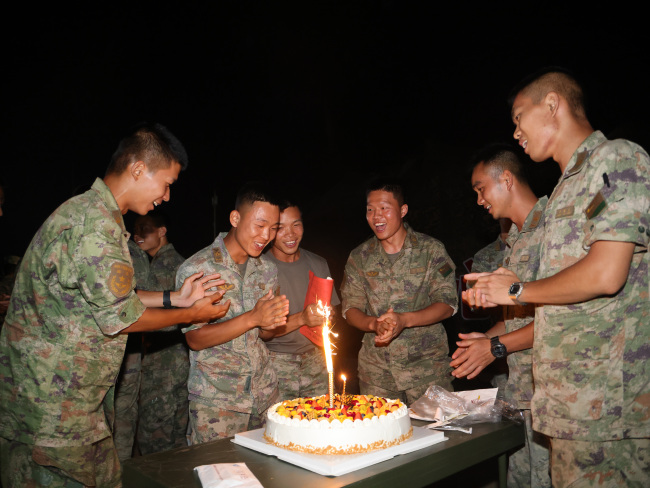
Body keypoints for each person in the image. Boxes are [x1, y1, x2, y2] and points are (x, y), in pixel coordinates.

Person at [0, 122, 230, 488]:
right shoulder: (94, 224)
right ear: (138, 169)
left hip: (70, 408)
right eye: (166, 184)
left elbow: (111, 296)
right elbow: (119, 317)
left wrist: (176, 297)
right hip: (52, 413)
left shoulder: (97, 216)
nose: (167, 197)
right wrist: (192, 314)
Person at [464, 68, 650, 485]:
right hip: (570, 404)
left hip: (609, 406)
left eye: (518, 117)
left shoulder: (616, 157)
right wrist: (514, 288)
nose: (515, 132)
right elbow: (562, 294)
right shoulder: (566, 189)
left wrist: (516, 290)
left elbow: (606, 273)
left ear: (552, 104)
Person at [451, 144, 550, 487]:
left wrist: (496, 348)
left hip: (555, 391)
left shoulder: (554, 229)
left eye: (481, 189)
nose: (479, 200)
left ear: (506, 179)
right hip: (523, 390)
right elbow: (522, 315)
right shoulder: (518, 241)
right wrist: (488, 339)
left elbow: (562, 318)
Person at [176, 182, 290, 444]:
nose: (267, 236)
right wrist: (253, 317)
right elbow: (195, 339)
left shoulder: (267, 269)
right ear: (235, 218)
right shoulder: (197, 269)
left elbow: (265, 335)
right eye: (260, 225)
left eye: (274, 228)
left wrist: (271, 321)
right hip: (218, 403)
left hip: (265, 397)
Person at [341, 177, 458, 405]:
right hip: (376, 375)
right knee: (382, 438)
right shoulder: (359, 257)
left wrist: (404, 320)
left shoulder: (431, 250)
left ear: (403, 210)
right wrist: (373, 324)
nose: (376, 217)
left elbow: (447, 304)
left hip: (427, 370)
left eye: (384, 208)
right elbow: (350, 308)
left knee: (437, 438)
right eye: (370, 210)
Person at [114, 210, 191, 459]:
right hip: (161, 363)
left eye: (145, 228)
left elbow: (159, 317)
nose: (138, 234)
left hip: (163, 366)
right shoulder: (153, 261)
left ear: (162, 231)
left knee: (156, 440)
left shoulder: (168, 265)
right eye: (135, 229)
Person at [263, 202, 341, 401]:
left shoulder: (318, 263)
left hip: (316, 360)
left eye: (296, 225)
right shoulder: (260, 269)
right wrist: (302, 318)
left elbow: (331, 317)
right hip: (275, 362)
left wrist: (327, 316)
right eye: (280, 228)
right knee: (281, 425)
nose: (290, 234)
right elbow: (260, 331)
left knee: (321, 422)